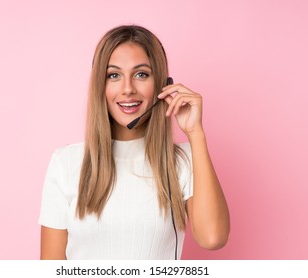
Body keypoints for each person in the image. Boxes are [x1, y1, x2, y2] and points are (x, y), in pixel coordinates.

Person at [38, 25, 230, 260]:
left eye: (141, 74)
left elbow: (213, 238)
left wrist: (195, 133)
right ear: (101, 84)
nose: (128, 89)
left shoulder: (183, 160)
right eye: (114, 75)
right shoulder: (65, 162)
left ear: (162, 83)